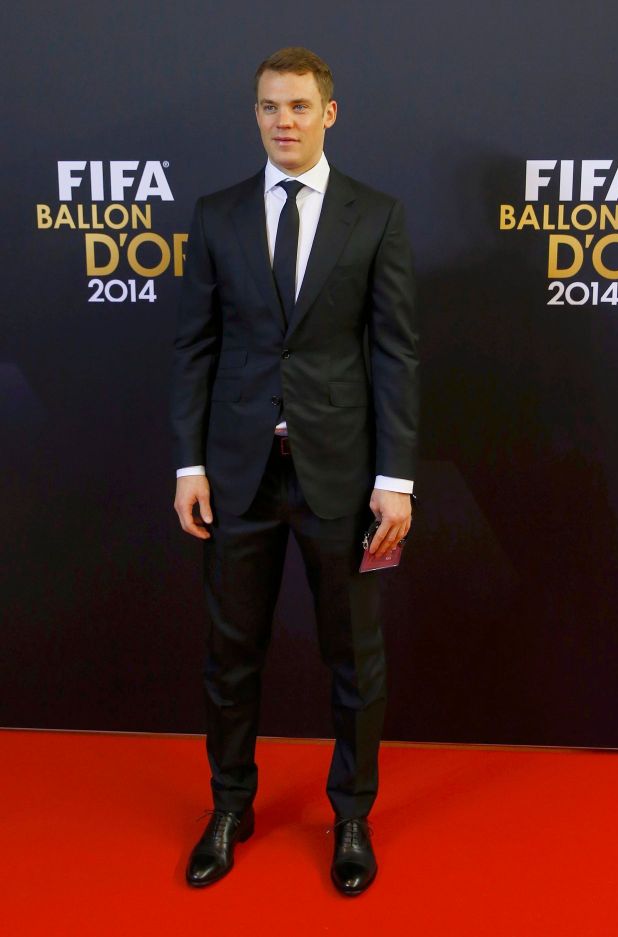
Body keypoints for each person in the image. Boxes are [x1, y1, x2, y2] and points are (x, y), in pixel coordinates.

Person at [171, 46, 419, 897]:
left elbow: (394, 355)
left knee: (354, 656)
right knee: (230, 654)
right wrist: (189, 461)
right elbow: (196, 346)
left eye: (300, 107)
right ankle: (229, 807)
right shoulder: (216, 214)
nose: (285, 120)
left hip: (342, 480)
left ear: (330, 114)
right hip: (238, 477)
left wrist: (398, 479)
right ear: (257, 116)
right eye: (271, 107)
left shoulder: (376, 215)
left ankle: (351, 813)